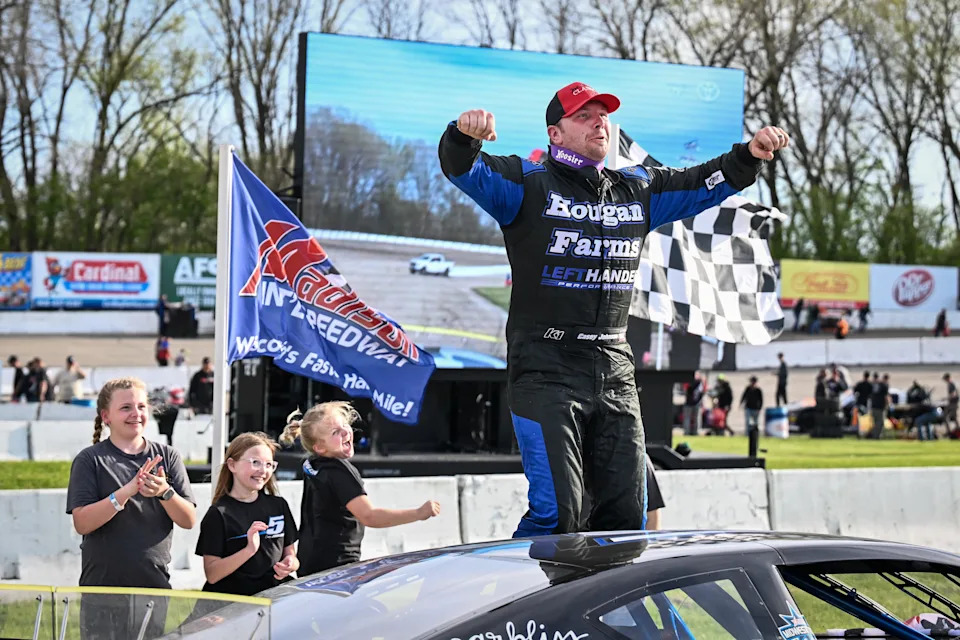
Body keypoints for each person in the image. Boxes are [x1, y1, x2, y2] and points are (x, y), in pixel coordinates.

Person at [439, 81, 787, 536]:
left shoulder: (637, 188)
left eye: (602, 114)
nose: (598, 122)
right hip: (545, 369)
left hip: (614, 369)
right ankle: (513, 603)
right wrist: (464, 135)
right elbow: (461, 167)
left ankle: (608, 609)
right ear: (555, 133)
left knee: (628, 519)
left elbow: (702, 183)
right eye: (584, 115)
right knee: (557, 514)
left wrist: (750, 155)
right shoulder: (525, 183)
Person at [66, 377, 197, 640]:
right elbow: (82, 523)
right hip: (102, 590)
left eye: (140, 406)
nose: (135, 414)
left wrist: (165, 492)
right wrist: (126, 491)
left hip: (153, 587)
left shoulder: (168, 456)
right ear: (106, 416)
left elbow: (189, 519)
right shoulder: (90, 460)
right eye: (125, 407)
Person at [280, 402, 441, 574]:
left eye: (344, 426)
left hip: (309, 562)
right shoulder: (340, 471)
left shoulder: (311, 463)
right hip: (336, 567)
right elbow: (369, 516)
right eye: (335, 432)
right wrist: (418, 513)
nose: (345, 432)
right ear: (319, 447)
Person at [195, 432, 298, 596]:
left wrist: (290, 564)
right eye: (255, 462)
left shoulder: (278, 505)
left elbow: (290, 554)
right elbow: (213, 574)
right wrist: (249, 550)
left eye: (269, 464)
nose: (263, 470)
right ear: (232, 465)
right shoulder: (219, 514)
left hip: (274, 599)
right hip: (235, 603)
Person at [868, 372, 890, 439]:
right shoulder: (884, 385)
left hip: (873, 406)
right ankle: (876, 436)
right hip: (880, 407)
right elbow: (886, 397)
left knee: (875, 423)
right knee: (880, 423)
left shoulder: (873, 385)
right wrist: (888, 404)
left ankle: (874, 435)